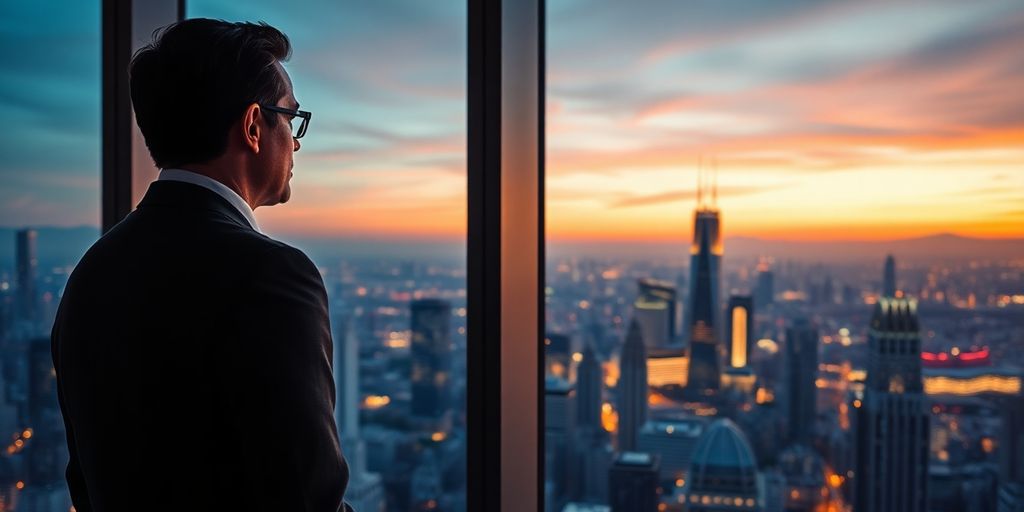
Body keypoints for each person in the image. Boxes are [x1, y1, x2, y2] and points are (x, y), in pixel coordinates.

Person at [51, 19, 352, 511]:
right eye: (291, 120)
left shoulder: (93, 273)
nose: (296, 143)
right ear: (254, 126)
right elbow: (306, 497)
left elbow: (85, 482)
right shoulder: (271, 275)